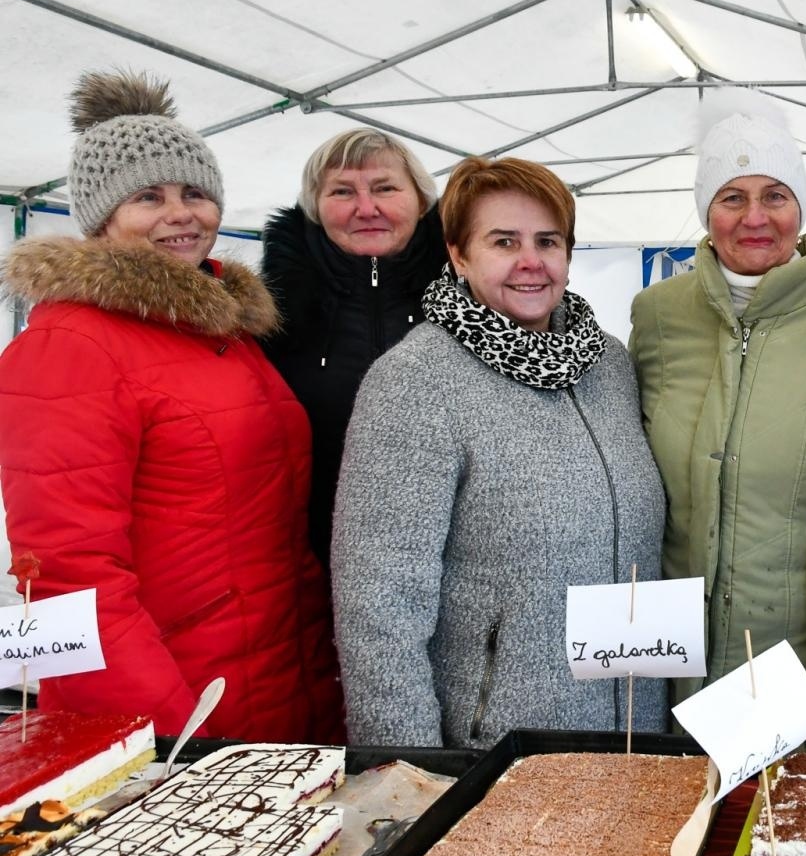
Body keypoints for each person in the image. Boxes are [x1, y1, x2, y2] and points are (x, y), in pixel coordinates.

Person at [0, 70, 342, 741]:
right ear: (102, 219)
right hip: (181, 701)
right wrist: (165, 741)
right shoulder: (71, 345)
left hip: (277, 675)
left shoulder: (220, 328)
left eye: (194, 192)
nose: (181, 214)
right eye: (148, 197)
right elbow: (69, 579)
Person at [331, 156, 665, 748]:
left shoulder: (608, 364)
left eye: (548, 241)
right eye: (503, 241)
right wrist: (409, 771)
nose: (530, 261)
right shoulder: (415, 380)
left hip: (634, 728)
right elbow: (379, 607)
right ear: (459, 254)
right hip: (500, 747)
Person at [629, 94, 806, 736]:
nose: (755, 218)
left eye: (775, 195)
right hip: (672, 658)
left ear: (801, 205)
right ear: (705, 211)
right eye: (731, 197)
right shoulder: (657, 315)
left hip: (797, 655)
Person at [259, 129, 447, 569]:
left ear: (421, 202)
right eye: (343, 191)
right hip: (303, 565)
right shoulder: (267, 314)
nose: (367, 208)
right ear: (315, 207)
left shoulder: (470, 299)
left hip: (446, 557)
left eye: (385, 188)